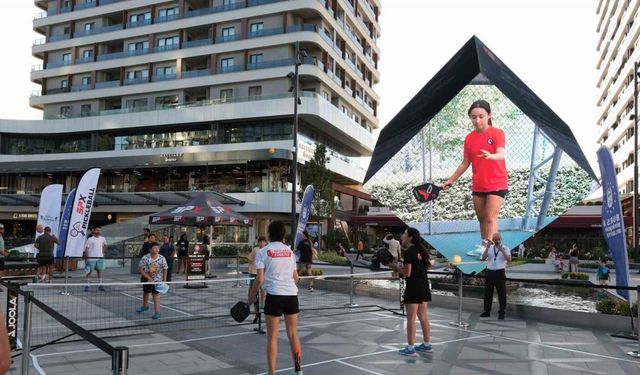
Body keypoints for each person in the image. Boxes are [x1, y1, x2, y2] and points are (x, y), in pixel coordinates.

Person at [444, 100, 508, 246]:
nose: (477, 120)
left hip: (497, 182)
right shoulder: (469, 138)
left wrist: (491, 156)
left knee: (491, 218)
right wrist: (451, 180)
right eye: (473, 117)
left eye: (481, 116)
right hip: (478, 184)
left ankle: (491, 250)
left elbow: (500, 154)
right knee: (482, 219)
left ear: (489, 115)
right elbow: (465, 163)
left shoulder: (498, 133)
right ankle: (484, 246)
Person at [248, 221, 302, 375]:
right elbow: (296, 278)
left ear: (269, 234)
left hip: (274, 296)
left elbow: (259, 279)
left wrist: (251, 297)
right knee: (293, 334)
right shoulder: (290, 252)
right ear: (283, 235)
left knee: (272, 337)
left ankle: (272, 373)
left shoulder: (263, 252)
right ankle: (298, 370)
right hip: (292, 296)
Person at [391, 227, 433, 356]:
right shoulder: (421, 250)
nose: (402, 236)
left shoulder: (409, 252)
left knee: (411, 319)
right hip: (424, 285)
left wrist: (395, 267)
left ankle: (410, 348)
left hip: (414, 287)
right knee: (423, 317)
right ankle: (427, 345)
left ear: (409, 237)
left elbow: (407, 273)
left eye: (404, 233)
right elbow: (427, 266)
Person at [480, 232, 511, 320]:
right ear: (493, 240)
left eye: (499, 239)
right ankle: (487, 311)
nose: (497, 241)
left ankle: (502, 312)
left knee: (502, 293)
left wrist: (502, 250)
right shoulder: (489, 248)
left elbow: (509, 260)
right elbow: (483, 258)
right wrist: (487, 247)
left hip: (500, 273)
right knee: (487, 293)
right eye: (496, 239)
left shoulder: (506, 248)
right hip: (490, 272)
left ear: (501, 239)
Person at [136, 243, 168, 320]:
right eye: (155, 248)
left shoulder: (162, 258)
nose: (157, 249)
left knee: (155, 294)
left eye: (158, 248)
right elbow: (140, 269)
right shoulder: (145, 258)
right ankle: (145, 306)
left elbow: (165, 268)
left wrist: (164, 280)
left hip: (157, 280)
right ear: (150, 249)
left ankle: (157, 312)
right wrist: (148, 278)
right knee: (146, 292)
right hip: (146, 278)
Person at [248, 236, 267, 324]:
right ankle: (256, 312)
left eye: (263, 241)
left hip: (262, 273)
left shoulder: (267, 250)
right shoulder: (256, 250)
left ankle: (262, 304)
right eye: (260, 241)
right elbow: (250, 259)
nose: (262, 243)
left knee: (262, 289)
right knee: (253, 291)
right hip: (254, 273)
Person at [84, 226, 107, 292]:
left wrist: (103, 253)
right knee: (89, 272)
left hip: (100, 258)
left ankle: (100, 285)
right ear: (94, 231)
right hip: (91, 258)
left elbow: (105, 245)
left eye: (99, 230)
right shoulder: (90, 239)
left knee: (99, 271)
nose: (98, 232)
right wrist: (86, 258)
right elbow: (86, 249)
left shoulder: (103, 238)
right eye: (97, 230)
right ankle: (87, 285)